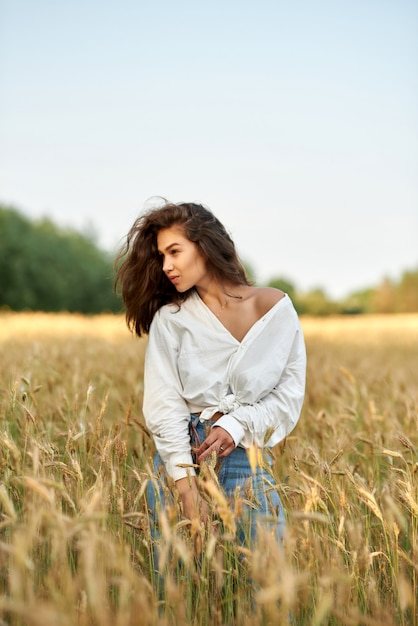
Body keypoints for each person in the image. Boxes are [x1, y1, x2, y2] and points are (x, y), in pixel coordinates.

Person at [115, 200, 306, 546]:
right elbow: (164, 405)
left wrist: (236, 424)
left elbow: (288, 397)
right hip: (181, 463)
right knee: (179, 591)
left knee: (267, 585)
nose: (167, 266)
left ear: (204, 245)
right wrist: (187, 495)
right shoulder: (171, 320)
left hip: (246, 459)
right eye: (161, 257)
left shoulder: (274, 309)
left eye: (174, 251)